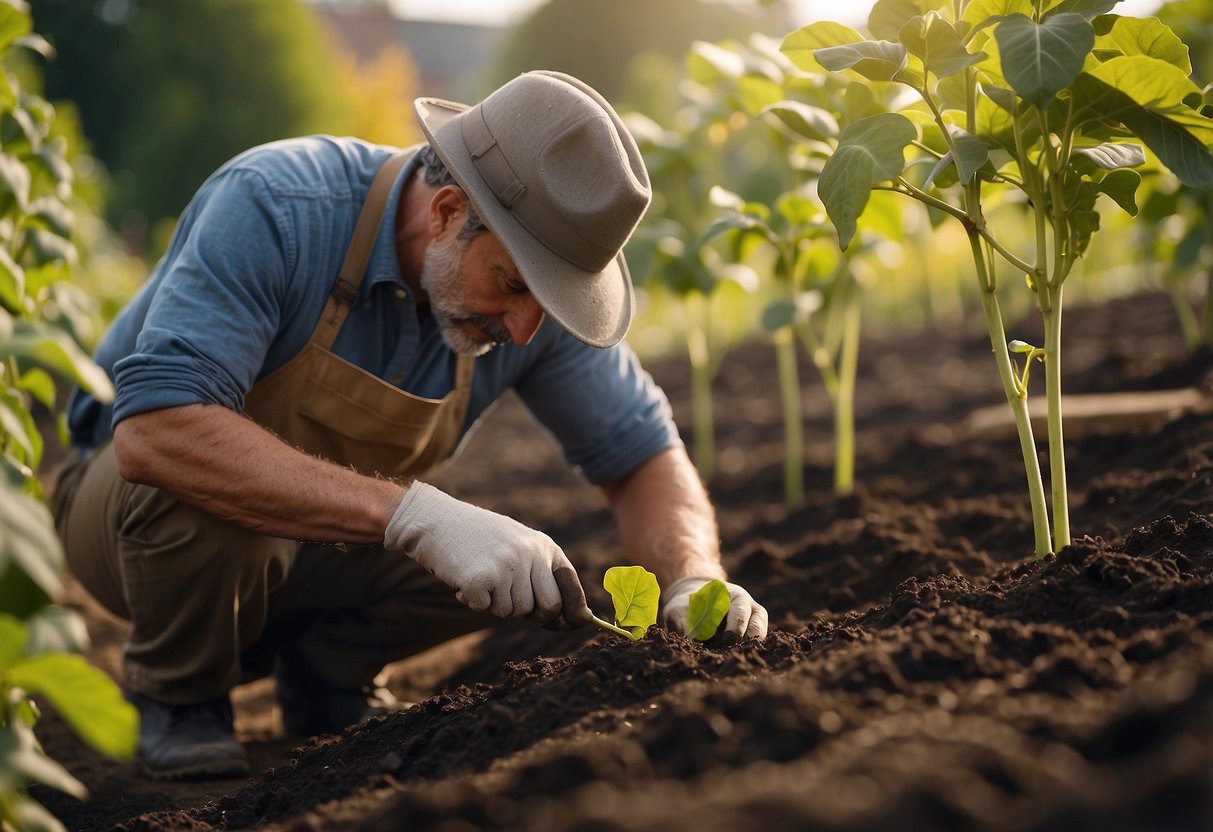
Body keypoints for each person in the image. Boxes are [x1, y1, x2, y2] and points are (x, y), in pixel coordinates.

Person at [53, 70, 767, 782]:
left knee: (520, 572)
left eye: (547, 304)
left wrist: (692, 578)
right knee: (209, 501)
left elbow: (644, 455)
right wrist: (415, 516)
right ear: (448, 212)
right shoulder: (277, 205)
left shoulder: (535, 296)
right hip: (134, 516)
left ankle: (324, 679)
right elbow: (158, 435)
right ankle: (179, 692)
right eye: (514, 286)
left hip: (309, 541)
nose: (522, 330)